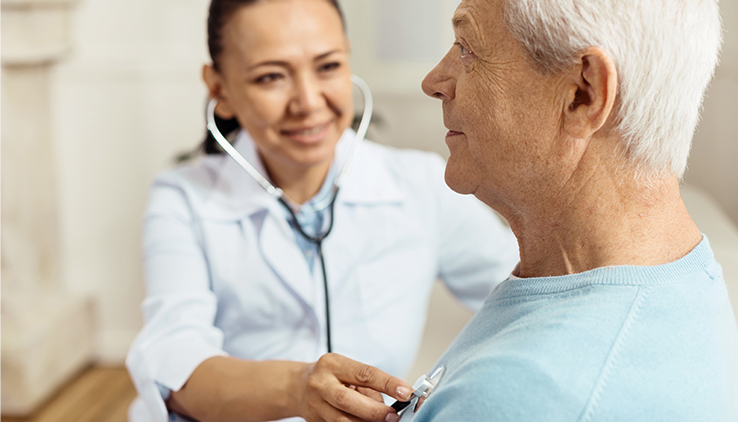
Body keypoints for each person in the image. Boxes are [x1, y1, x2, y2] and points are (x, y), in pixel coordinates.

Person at [125, 0, 520, 421]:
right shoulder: (183, 197)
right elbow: (174, 364)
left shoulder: (420, 186)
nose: (308, 102)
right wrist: (298, 390)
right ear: (219, 89)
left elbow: (523, 297)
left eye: (328, 66)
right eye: (271, 76)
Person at [404, 0, 738, 420]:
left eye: (467, 48)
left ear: (583, 94)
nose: (434, 81)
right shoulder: (683, 267)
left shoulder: (522, 397)